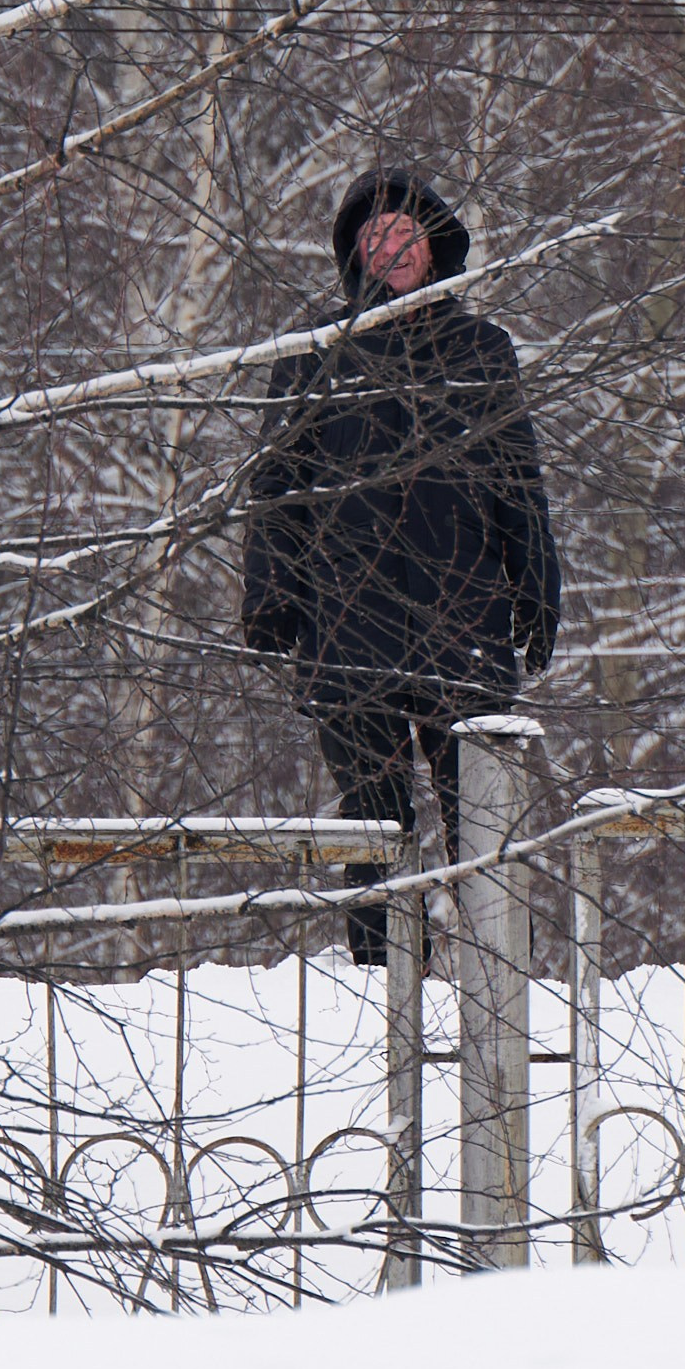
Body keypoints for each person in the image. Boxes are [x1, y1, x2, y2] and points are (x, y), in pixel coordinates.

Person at [243, 170, 562, 966]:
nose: (392, 249)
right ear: (355, 251)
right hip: (349, 627)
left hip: (467, 623)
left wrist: (537, 588)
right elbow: (279, 483)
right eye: (375, 236)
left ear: (435, 245)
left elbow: (517, 478)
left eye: (406, 234)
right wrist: (271, 597)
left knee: (485, 828)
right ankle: (383, 987)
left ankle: (503, 1000)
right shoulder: (316, 350)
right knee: (377, 829)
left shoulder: (481, 349)